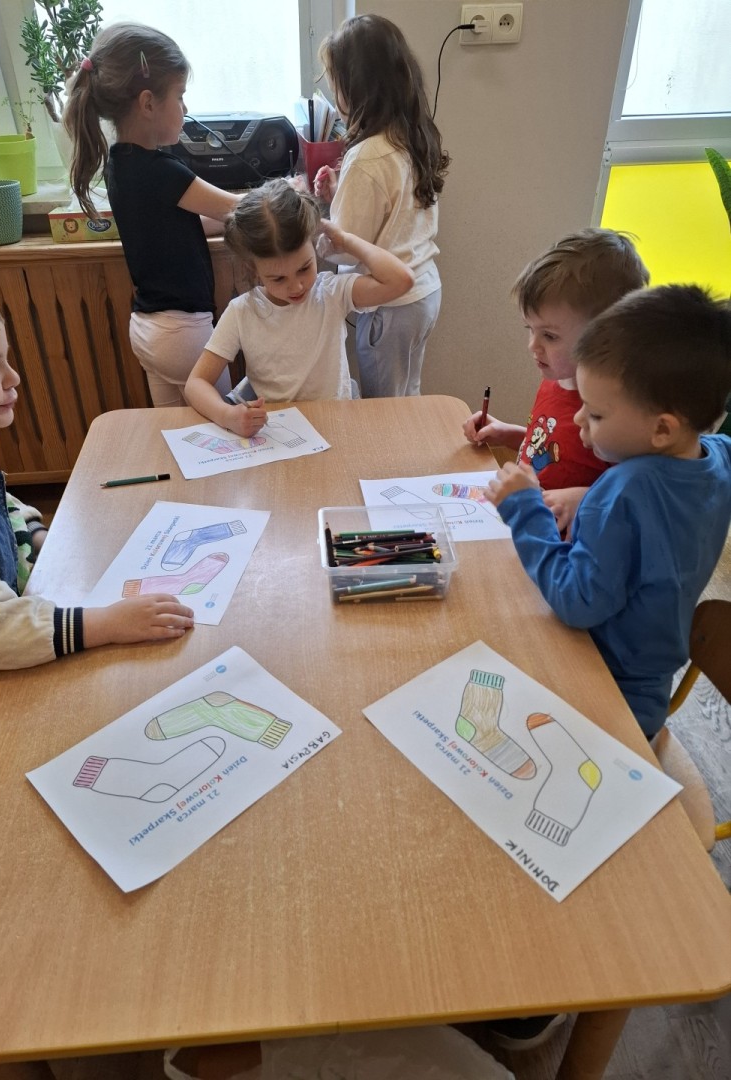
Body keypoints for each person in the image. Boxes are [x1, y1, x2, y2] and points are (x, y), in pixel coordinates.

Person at [0, 275, 194, 732]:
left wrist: (36, 534)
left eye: (6, 360)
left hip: (20, 619)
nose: (14, 378)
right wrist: (106, 624)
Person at [485, 283, 731, 741]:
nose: (579, 420)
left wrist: (524, 510)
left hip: (601, 688)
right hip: (651, 685)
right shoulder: (718, 455)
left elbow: (576, 602)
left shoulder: (621, 495)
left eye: (595, 414)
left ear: (662, 429)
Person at [64, 23, 243, 409]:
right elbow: (238, 208)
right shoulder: (163, 171)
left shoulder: (120, 164)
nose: (186, 109)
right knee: (227, 431)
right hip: (184, 333)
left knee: (174, 434)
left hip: (149, 329)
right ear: (148, 104)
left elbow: (186, 223)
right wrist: (292, 190)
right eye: (180, 95)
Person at [184, 179, 414, 436]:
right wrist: (227, 415)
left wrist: (346, 240)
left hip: (334, 425)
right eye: (278, 279)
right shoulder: (242, 312)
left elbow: (401, 280)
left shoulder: (332, 293)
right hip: (279, 434)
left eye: (304, 268)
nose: (296, 287)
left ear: (314, 246)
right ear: (254, 269)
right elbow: (196, 383)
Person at [463, 229, 650, 533]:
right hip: (530, 527)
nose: (533, 346)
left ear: (606, 336)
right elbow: (556, 451)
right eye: (530, 329)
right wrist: (509, 434)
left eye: (549, 336)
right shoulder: (556, 378)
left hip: (571, 546)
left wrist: (584, 499)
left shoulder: (613, 411)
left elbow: (643, 496)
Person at [313, 14, 448, 399]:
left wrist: (321, 227)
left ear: (355, 87)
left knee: (382, 410)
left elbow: (344, 246)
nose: (335, 96)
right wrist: (341, 194)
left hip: (391, 307)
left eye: (336, 84)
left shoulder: (367, 156)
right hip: (424, 291)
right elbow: (394, 213)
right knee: (407, 399)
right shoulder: (411, 135)